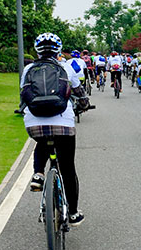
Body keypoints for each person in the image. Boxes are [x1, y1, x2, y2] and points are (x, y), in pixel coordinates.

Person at [20, 32, 89, 225]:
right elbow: (79, 93)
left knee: (42, 140)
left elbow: (23, 94)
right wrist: (84, 104)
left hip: (34, 122)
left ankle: (38, 174)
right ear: (58, 49)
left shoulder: (28, 69)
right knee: (68, 168)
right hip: (63, 123)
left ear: (37, 50)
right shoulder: (66, 66)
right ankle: (74, 214)